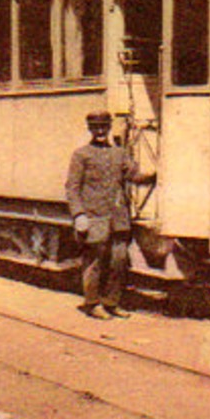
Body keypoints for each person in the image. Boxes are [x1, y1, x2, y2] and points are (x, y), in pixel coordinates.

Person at [65, 111, 152, 319]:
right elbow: (72, 188)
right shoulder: (81, 155)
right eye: (96, 128)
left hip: (118, 219)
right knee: (94, 262)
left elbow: (134, 175)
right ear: (90, 130)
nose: (101, 131)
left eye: (104, 127)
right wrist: (78, 214)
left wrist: (155, 175)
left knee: (119, 261)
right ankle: (93, 303)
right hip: (94, 217)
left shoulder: (119, 154)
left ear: (109, 128)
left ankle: (111, 303)